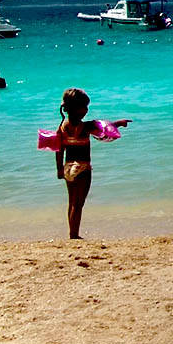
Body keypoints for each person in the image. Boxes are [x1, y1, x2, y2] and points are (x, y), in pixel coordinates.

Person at [49, 88, 131, 239]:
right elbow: (106, 129)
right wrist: (119, 123)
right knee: (79, 204)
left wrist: (59, 169)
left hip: (68, 168)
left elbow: (58, 150)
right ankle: (74, 235)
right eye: (84, 106)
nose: (86, 109)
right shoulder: (86, 126)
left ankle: (72, 233)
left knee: (71, 201)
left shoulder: (61, 128)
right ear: (76, 108)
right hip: (83, 168)